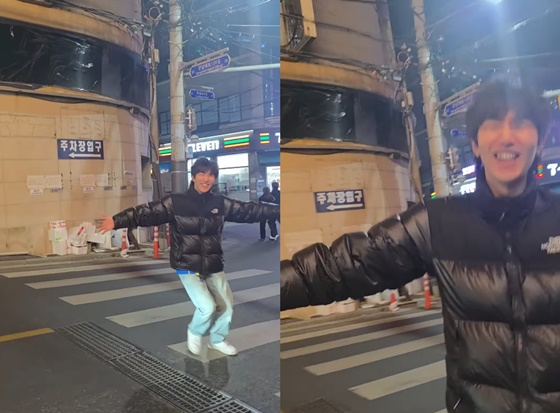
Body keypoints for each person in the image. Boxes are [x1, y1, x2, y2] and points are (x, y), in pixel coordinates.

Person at [280, 79, 559, 412]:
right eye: (494, 123)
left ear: (540, 142)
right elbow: (345, 266)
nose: (507, 136)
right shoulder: (440, 222)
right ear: (475, 144)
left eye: (522, 123)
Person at [98, 157, 279, 357]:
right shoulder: (176, 202)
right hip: (186, 264)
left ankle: (217, 340)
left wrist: (279, 210)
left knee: (226, 306)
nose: (206, 179)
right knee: (207, 307)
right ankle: (195, 331)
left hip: (213, 263)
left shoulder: (219, 202)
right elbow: (147, 212)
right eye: (202, 174)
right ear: (193, 177)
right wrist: (117, 221)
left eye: (211, 175)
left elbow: (250, 211)